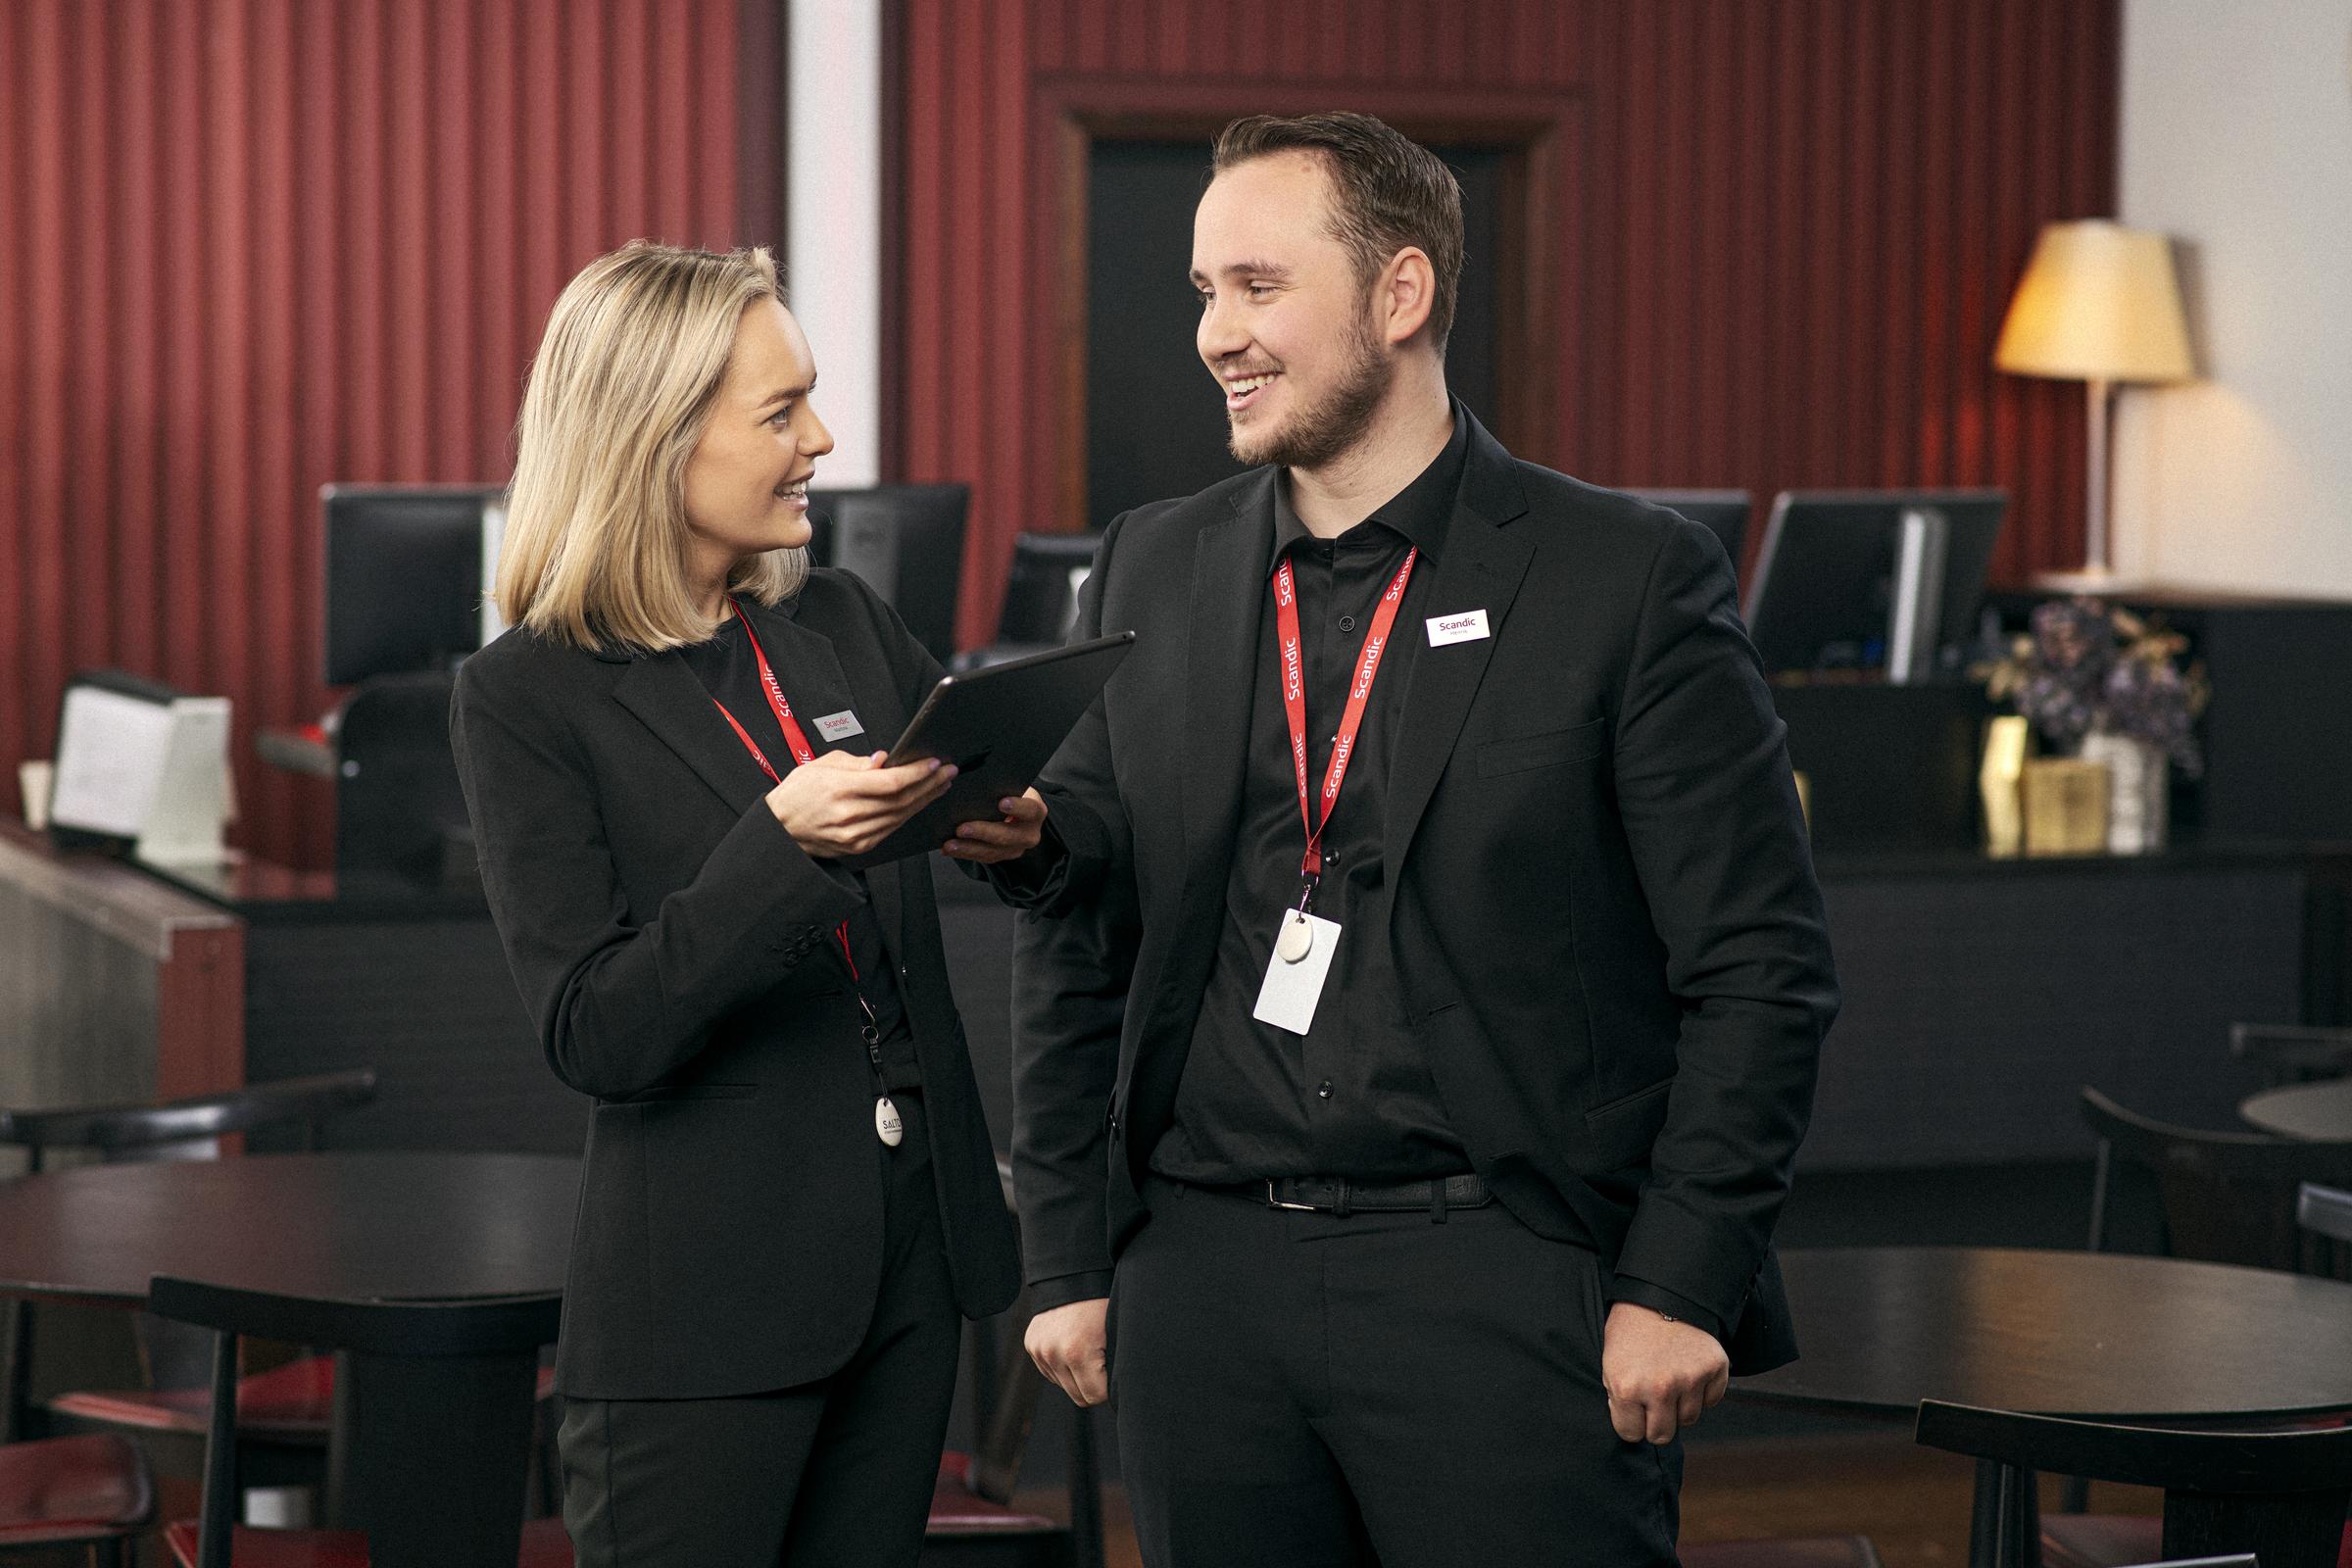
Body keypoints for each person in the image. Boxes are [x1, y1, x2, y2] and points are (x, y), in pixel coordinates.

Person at [1011, 114, 1839, 1567]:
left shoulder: (1625, 578)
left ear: (1400, 296)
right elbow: (1084, 926)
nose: (1217, 334)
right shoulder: (1157, 559)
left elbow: (1761, 968)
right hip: (1204, 1286)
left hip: (1503, 1279)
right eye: (1204, 291)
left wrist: (1683, 1283)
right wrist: (1069, 1252)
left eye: (1259, 288)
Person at [451, 241, 1048, 1566]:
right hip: (704, 1309)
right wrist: (776, 845)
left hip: (909, 1269)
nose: (821, 440)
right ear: (654, 440)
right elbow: (595, 1032)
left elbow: (960, 817)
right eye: (779, 414)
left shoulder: (836, 619)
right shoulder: (527, 694)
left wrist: (1020, 834)